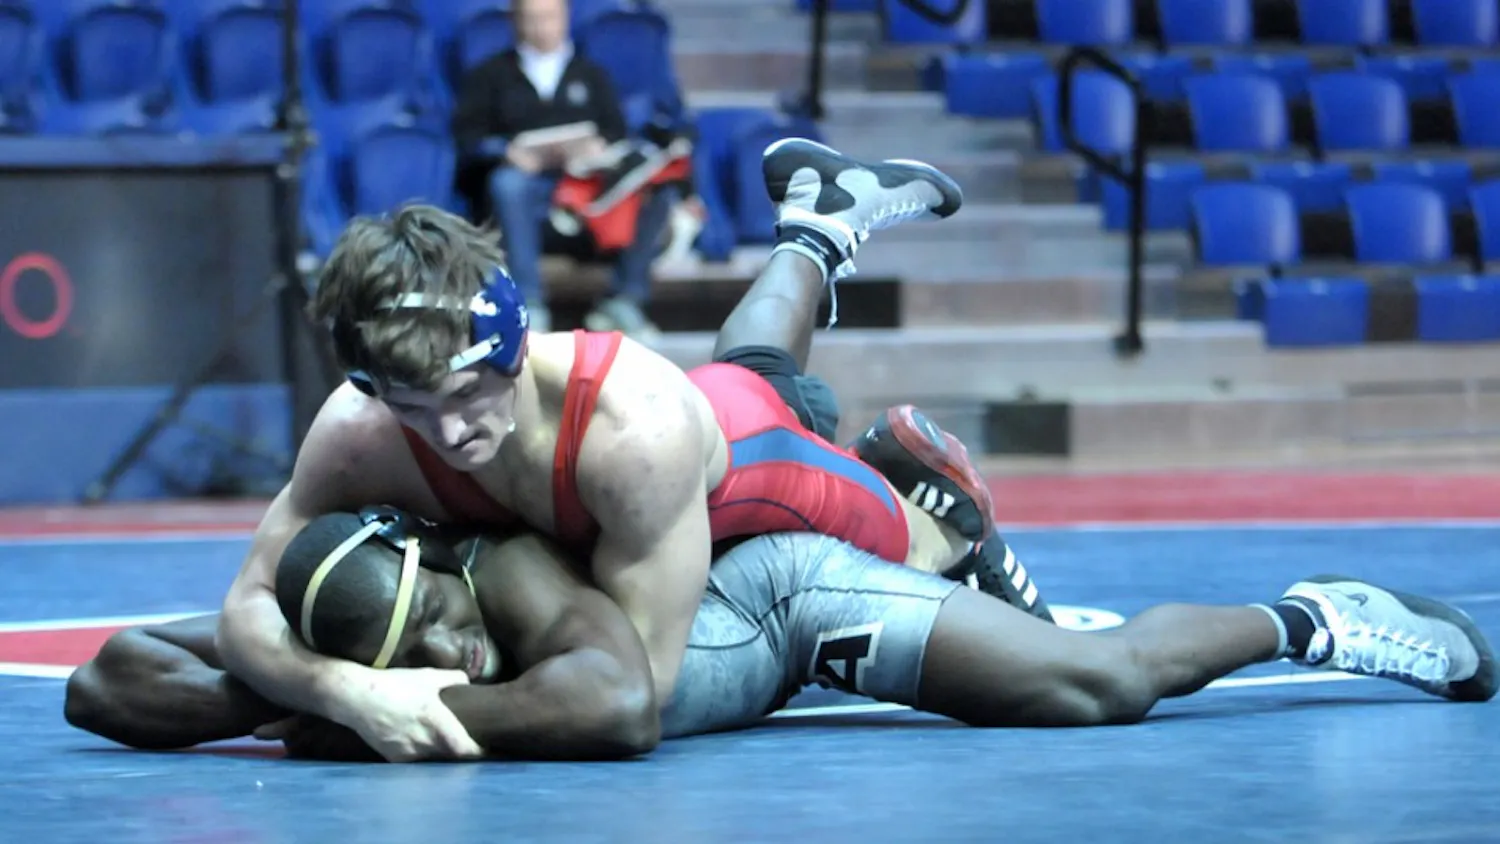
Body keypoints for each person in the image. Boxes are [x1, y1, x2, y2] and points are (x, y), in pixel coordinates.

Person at [208, 136, 1052, 763]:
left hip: (754, 477)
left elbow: (637, 693)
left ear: (514, 349)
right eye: (415, 412)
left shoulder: (634, 431)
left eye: (468, 398)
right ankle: (816, 225)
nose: (451, 434)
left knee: (908, 527)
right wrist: (349, 691)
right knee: (755, 372)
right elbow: (247, 604)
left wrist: (404, 712)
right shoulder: (359, 430)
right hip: (685, 446)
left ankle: (941, 502)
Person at [65, 508, 1496, 759]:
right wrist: (312, 685)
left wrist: (372, 723)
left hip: (781, 604)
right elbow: (105, 680)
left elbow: (609, 713)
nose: (461, 646)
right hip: (741, 660)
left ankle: (1315, 620)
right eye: (416, 651)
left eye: (448, 619)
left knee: (1092, 685)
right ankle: (960, 537)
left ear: (443, 565)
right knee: (1068, 653)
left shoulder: (504, 577)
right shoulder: (360, 627)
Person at [452, 0, 671, 337]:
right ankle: (529, 303)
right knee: (509, 184)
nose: (542, 27)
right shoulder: (490, 74)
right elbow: (468, 139)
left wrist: (597, 149)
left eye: (549, 17)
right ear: (516, 22)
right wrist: (507, 151)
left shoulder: (591, 73)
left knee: (654, 189)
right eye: (533, 19)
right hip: (526, 197)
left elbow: (616, 133)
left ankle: (625, 301)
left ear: (565, 19)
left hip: (585, 190)